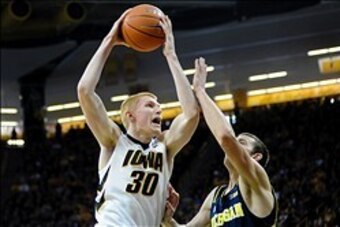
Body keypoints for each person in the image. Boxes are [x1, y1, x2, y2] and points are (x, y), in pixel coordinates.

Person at [77, 9, 200, 226]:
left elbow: (191, 114)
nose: (159, 110)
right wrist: (109, 41)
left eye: (159, 106)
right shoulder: (114, 141)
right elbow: (85, 90)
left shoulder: (165, 147)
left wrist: (171, 55)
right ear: (130, 115)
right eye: (150, 105)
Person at [162, 57, 278, 227]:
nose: (235, 146)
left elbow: (226, 137)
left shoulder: (256, 181)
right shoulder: (216, 196)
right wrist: (166, 220)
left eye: (242, 143)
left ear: (256, 157)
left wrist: (200, 91)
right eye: (237, 141)